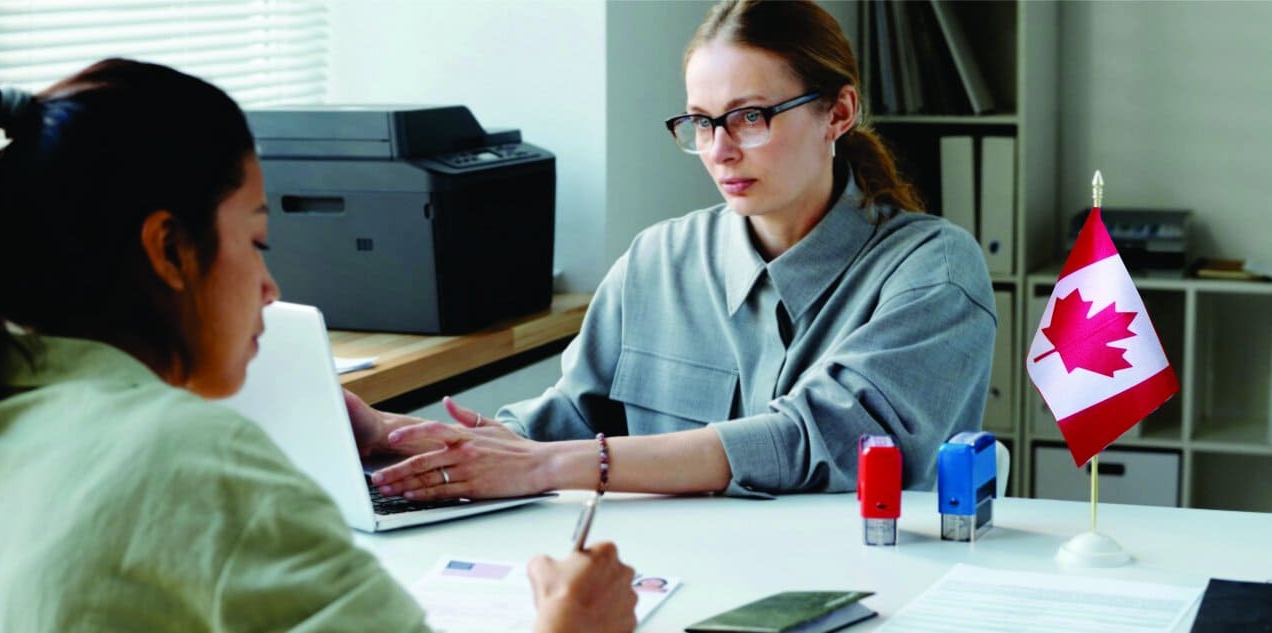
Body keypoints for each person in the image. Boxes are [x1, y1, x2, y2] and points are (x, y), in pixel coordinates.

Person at [0, 60, 637, 632]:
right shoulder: (189, 457)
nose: (269, 286)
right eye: (257, 241)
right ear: (171, 249)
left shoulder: (0, 412)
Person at [359, 0, 996, 501]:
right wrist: (394, 435)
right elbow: (562, 424)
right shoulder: (656, 260)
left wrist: (546, 464)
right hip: (664, 584)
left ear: (838, 113)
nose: (718, 149)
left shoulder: (933, 271)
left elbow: (814, 440)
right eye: (700, 120)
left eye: (750, 116)